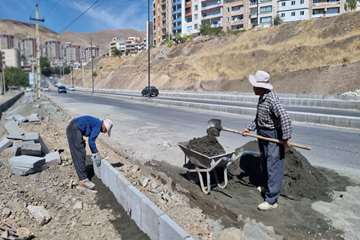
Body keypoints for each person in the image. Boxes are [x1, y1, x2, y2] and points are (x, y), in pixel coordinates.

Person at [242, 70, 292, 211]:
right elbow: (259, 117)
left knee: (273, 167)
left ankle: (271, 200)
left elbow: (285, 118)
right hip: (262, 134)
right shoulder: (262, 97)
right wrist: (249, 129)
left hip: (273, 136)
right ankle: (266, 187)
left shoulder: (272, 99)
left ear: (261, 87)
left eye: (254, 86)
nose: (253, 88)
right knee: (264, 162)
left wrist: (286, 138)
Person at [66, 115, 113, 190]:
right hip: (74, 129)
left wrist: (81, 137)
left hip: (74, 127)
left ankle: (81, 171)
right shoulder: (98, 127)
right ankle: (83, 180)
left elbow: (85, 126)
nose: (104, 132)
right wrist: (96, 153)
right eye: (106, 131)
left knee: (81, 148)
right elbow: (91, 142)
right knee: (79, 153)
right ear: (105, 127)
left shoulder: (97, 122)